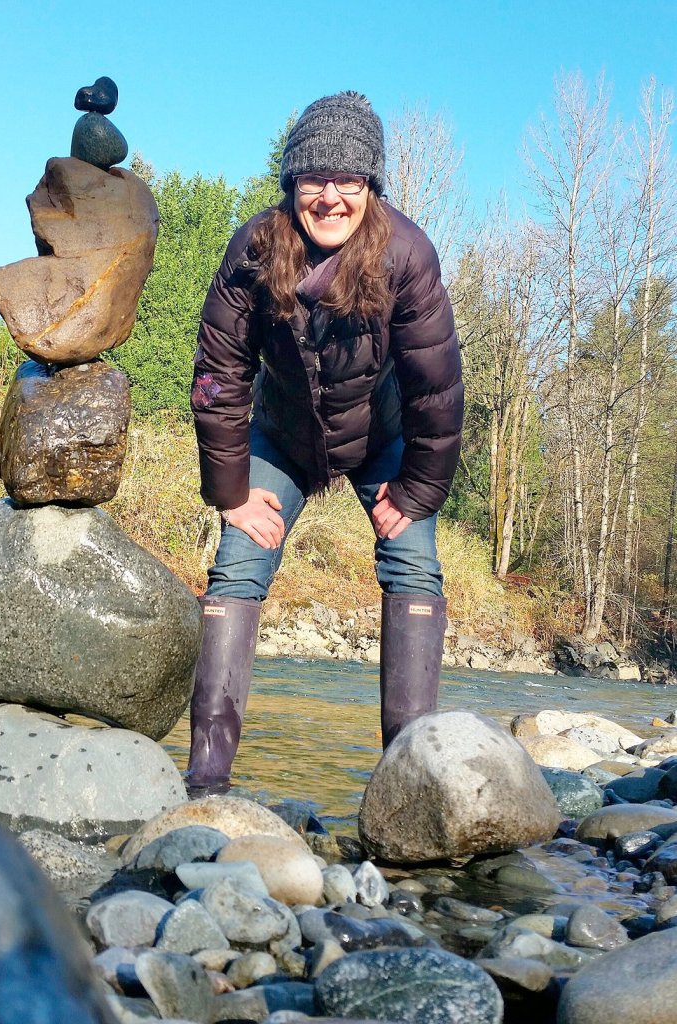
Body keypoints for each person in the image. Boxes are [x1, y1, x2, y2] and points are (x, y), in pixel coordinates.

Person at [186, 91, 463, 790]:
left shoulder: (408, 254)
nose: (332, 196)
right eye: (315, 179)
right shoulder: (253, 247)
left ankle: (407, 778)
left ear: (372, 185)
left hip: (383, 439)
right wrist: (230, 492)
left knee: (414, 566)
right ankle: (206, 780)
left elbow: (436, 388)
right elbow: (219, 374)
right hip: (281, 438)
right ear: (292, 185)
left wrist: (419, 489)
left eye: (350, 180)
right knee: (237, 566)